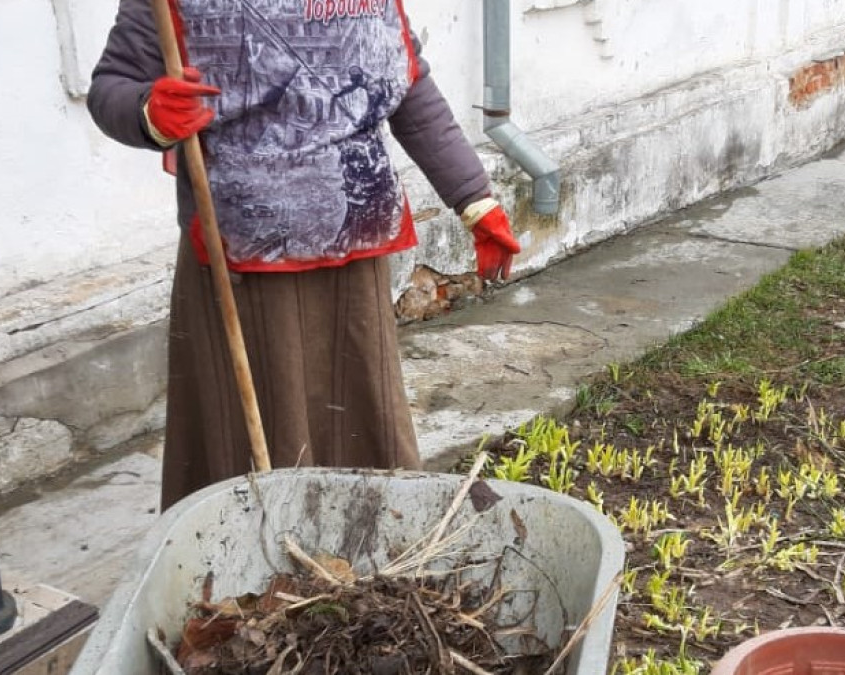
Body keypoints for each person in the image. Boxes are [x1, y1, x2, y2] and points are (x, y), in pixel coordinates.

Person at [88, 0, 521, 510]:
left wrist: (474, 198)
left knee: (360, 414)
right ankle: (253, 542)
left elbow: (408, 87)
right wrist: (148, 114)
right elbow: (112, 85)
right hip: (242, 264)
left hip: (353, 252)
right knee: (258, 434)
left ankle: (371, 528)